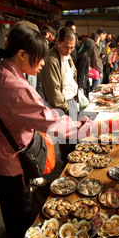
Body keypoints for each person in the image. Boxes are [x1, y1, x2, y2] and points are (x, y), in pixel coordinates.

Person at [0, 23, 93, 238]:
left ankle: (13, 233)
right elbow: (51, 122)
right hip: (8, 159)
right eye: (39, 57)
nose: (43, 63)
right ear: (21, 54)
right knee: (21, 205)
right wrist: (86, 126)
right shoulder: (14, 86)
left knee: (8, 200)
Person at [40, 26, 80, 167]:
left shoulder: (66, 56)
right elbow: (53, 92)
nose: (69, 50)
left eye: (72, 47)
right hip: (63, 105)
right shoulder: (51, 60)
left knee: (74, 137)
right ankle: (66, 167)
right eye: (65, 47)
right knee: (66, 139)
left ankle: (75, 163)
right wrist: (67, 108)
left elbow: (71, 76)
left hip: (72, 100)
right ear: (57, 41)